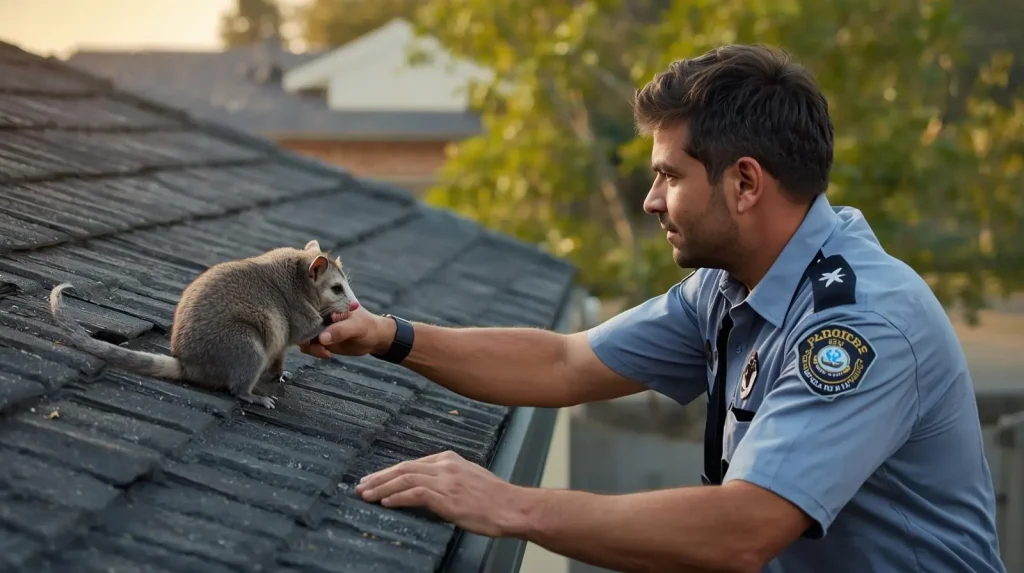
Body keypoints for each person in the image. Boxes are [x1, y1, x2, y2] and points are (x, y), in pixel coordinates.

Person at [300, 44, 1006, 573]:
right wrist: (389, 336)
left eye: (668, 174)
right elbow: (567, 361)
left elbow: (742, 527)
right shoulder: (734, 282)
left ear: (746, 183)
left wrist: (512, 506)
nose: (650, 200)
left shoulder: (858, 324)